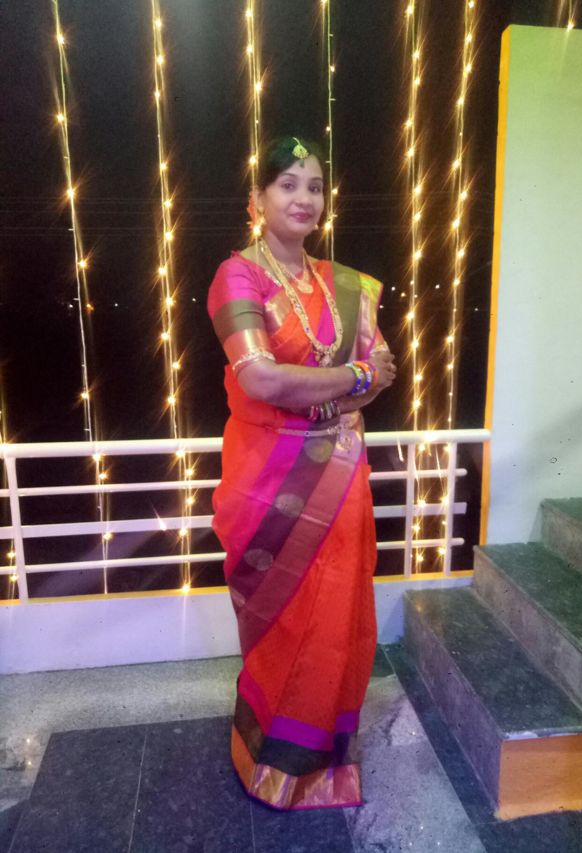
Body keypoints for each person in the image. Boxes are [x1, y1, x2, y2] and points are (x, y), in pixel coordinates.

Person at [207, 135, 396, 810]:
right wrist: (351, 380)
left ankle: (322, 764)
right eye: (287, 184)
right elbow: (260, 378)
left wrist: (335, 389)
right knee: (285, 623)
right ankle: (270, 761)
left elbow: (385, 369)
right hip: (267, 486)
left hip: (339, 482)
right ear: (257, 199)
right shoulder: (238, 277)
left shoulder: (346, 287)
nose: (304, 198)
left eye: (314, 185)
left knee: (335, 620)